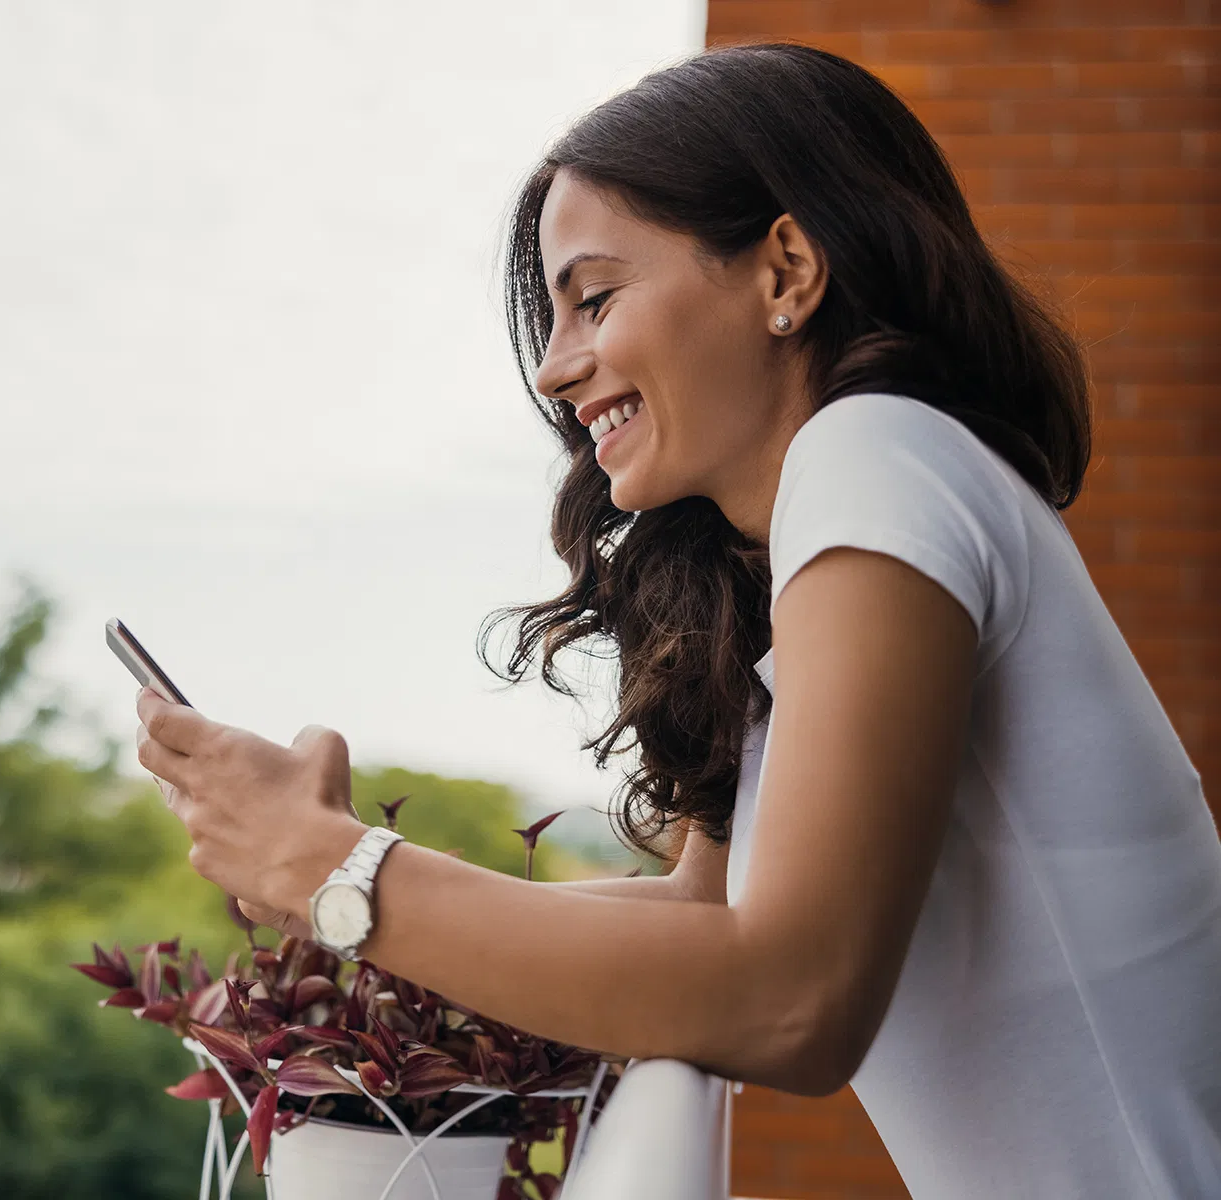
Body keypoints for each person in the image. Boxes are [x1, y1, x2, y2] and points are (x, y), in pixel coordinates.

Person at [135, 43, 1221, 1198]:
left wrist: (336, 868)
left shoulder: (878, 456)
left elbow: (791, 998)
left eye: (593, 298)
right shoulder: (831, 528)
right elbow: (701, 912)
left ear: (787, 271)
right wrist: (345, 896)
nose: (555, 369)